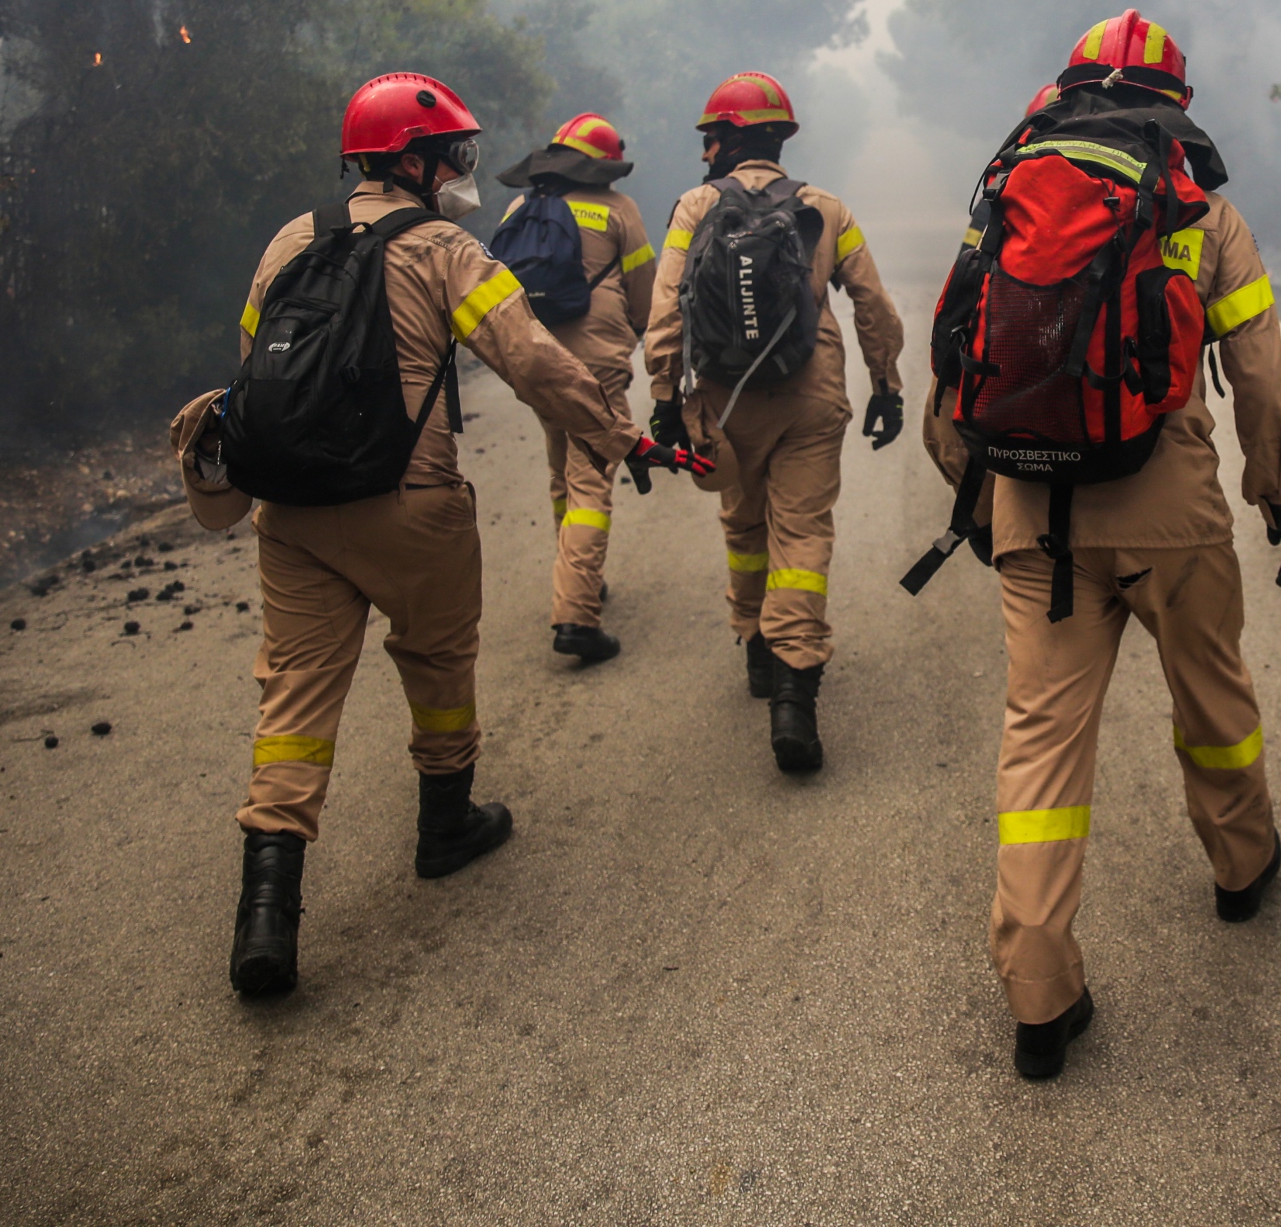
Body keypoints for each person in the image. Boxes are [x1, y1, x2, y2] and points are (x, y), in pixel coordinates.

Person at [214, 73, 709, 999]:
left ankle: (267, 918)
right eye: (455, 156)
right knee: (440, 659)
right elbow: (530, 363)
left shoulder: (290, 237)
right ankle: (446, 825)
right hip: (409, 499)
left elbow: (250, 358)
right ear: (413, 160)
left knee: (294, 699)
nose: (464, 172)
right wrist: (622, 437)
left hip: (292, 510)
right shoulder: (445, 247)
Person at [920, 13, 1281, 1081]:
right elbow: (1267, 385)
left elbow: (954, 356)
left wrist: (976, 486)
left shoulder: (1009, 188)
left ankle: (1040, 993)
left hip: (1029, 511)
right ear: (1172, 108)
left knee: (1042, 743)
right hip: (1169, 508)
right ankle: (1242, 866)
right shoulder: (1199, 212)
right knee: (1212, 695)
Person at [644, 71, 904, 774]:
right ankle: (795, 690)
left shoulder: (695, 207)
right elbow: (873, 303)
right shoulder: (826, 208)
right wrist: (887, 384)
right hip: (811, 395)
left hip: (725, 399)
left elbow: (666, 310)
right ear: (781, 137)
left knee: (744, 520)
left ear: (723, 141)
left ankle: (756, 641)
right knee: (803, 532)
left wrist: (665, 398)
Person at [492, 113, 656, 666]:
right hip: (598, 365)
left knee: (562, 471)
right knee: (591, 483)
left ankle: (574, 574)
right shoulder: (619, 209)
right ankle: (576, 615)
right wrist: (638, 339)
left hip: (537, 362)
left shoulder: (520, 208)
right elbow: (643, 293)